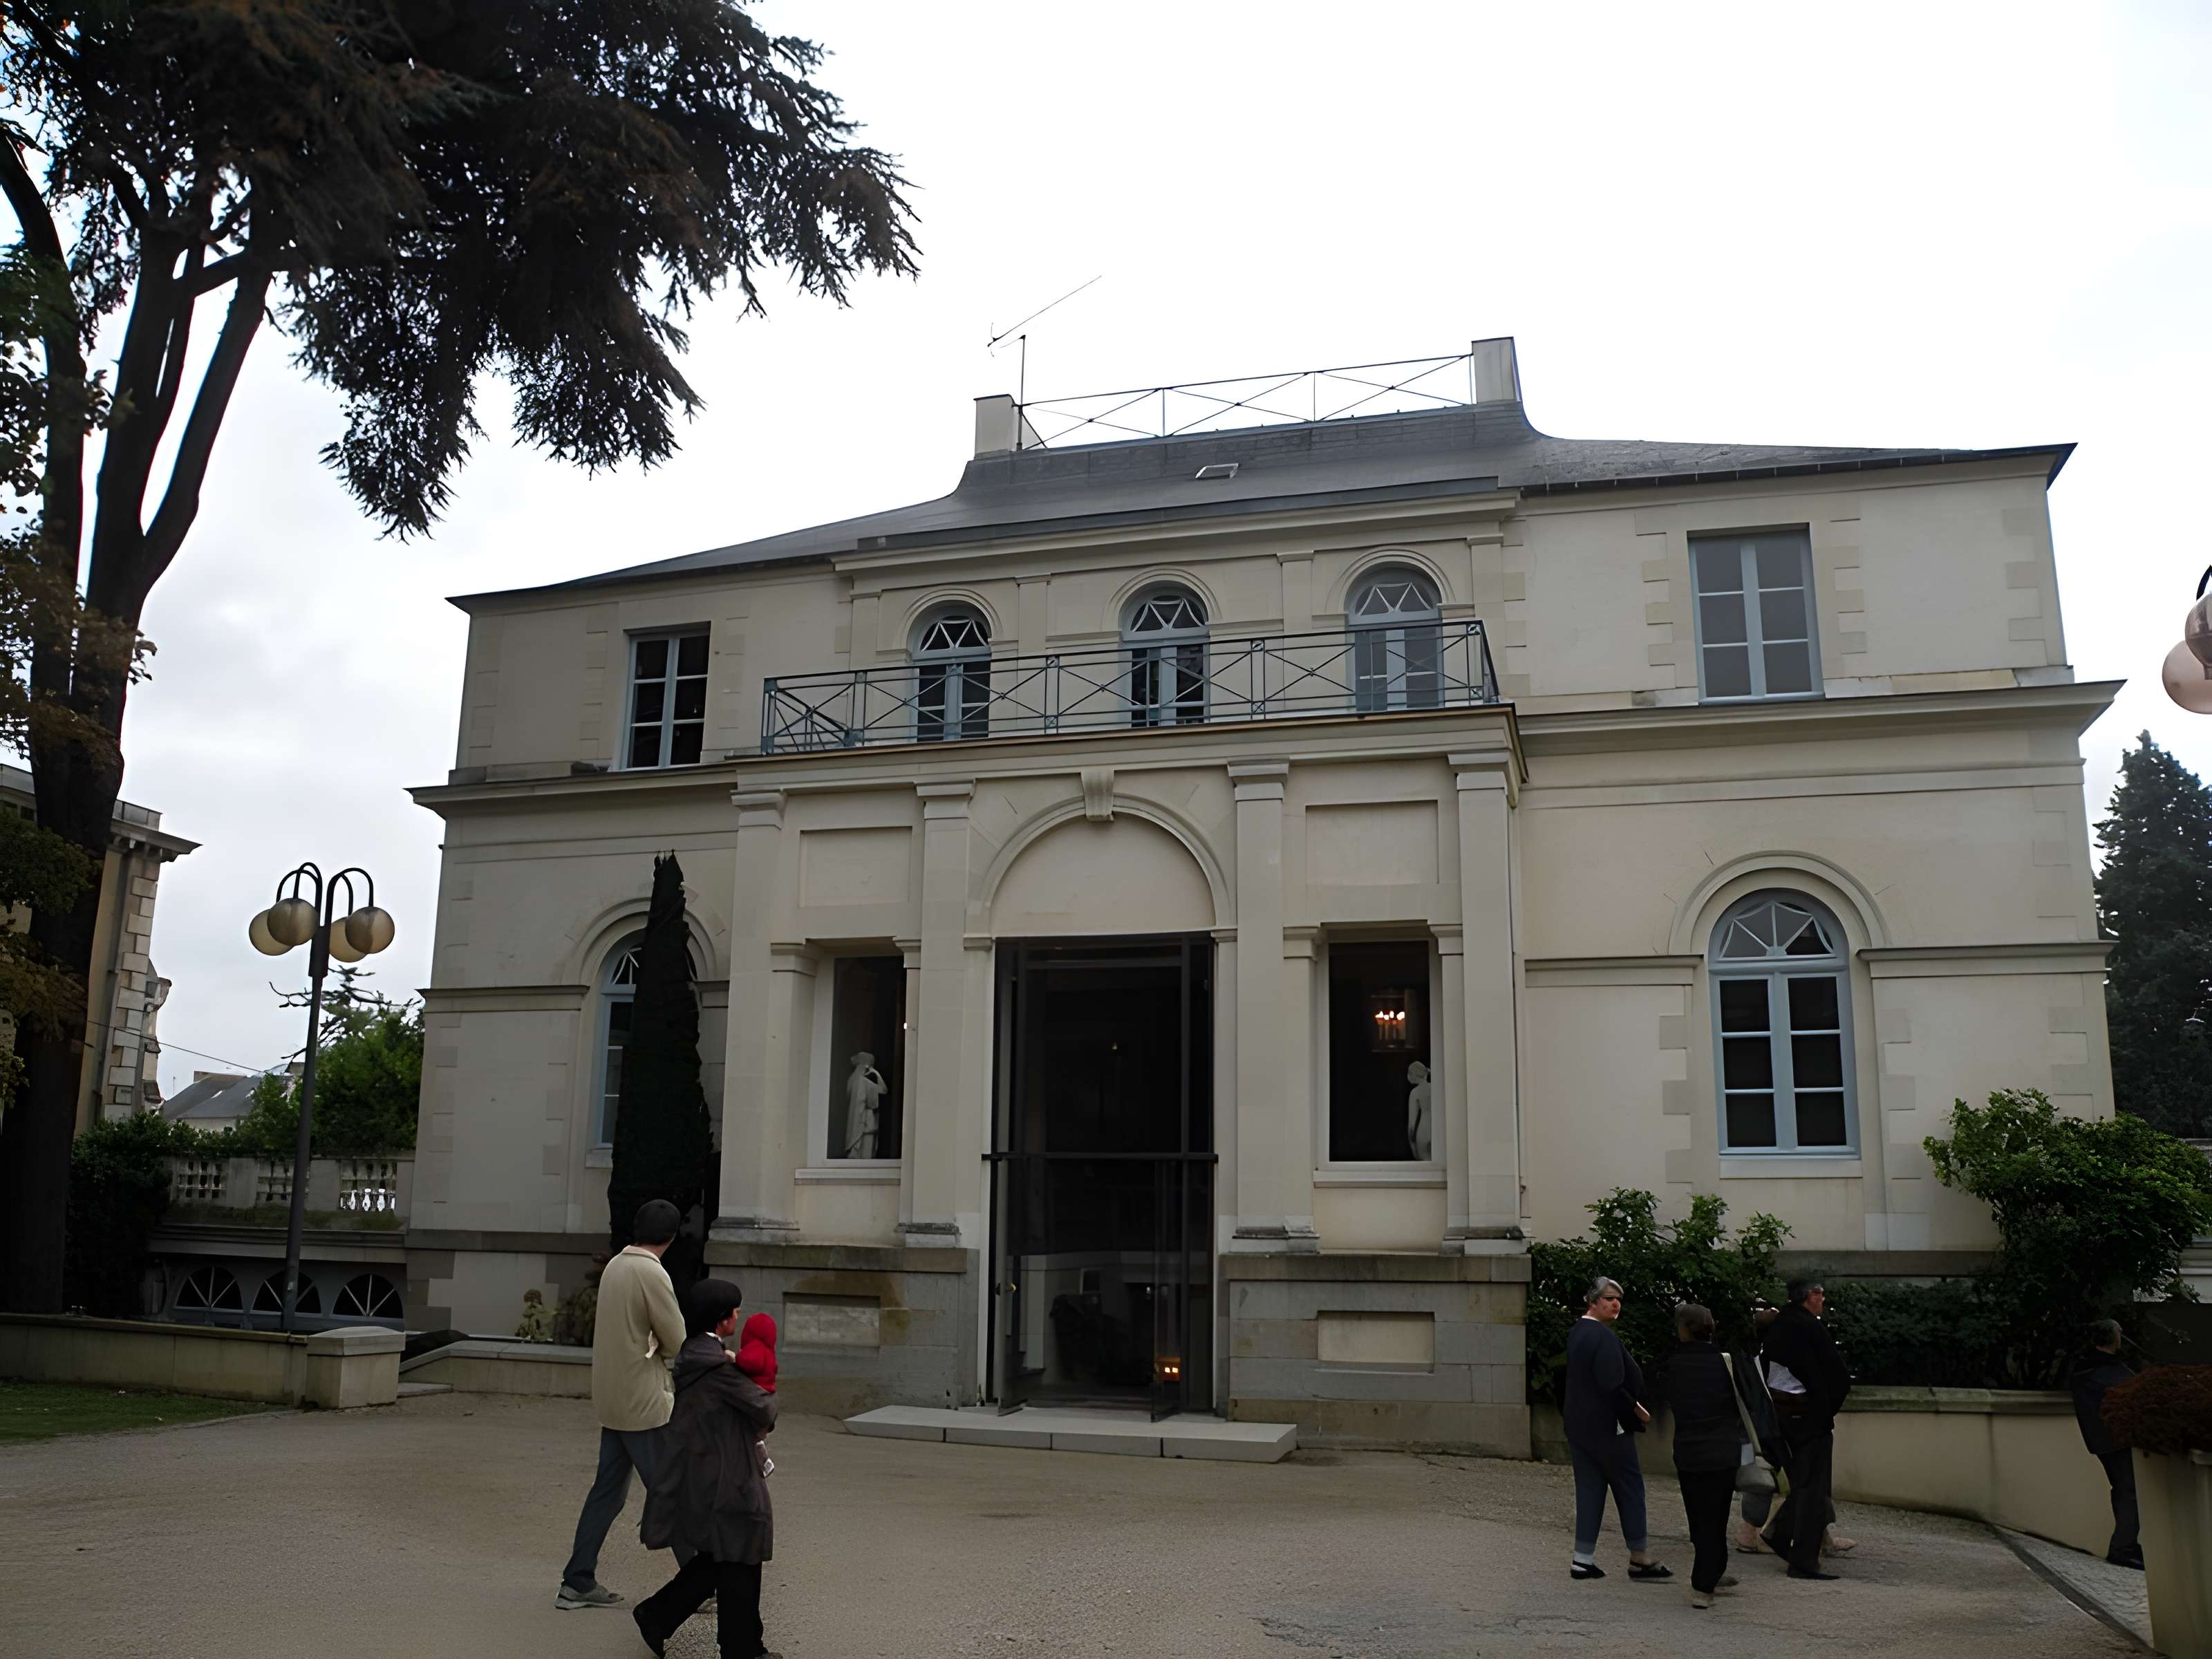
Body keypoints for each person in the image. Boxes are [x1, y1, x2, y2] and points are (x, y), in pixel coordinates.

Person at [557, 1199, 706, 1611]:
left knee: (607, 1494)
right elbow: (677, 1340)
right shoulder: (651, 1273)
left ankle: (577, 1580)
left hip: (615, 1398)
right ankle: (697, 1585)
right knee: (670, 1492)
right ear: (672, 1237)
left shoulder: (616, 1267)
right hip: (644, 1401)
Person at [635, 1279, 781, 1659]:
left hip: (707, 1468)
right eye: (733, 1310)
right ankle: (741, 1648)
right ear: (722, 1320)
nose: (737, 1315)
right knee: (739, 1554)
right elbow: (765, 1408)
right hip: (727, 1474)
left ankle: (658, 1616)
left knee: (722, 1558)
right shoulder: (717, 1366)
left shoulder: (695, 1354)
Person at [1562, 1276, 1671, 1582]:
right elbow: (1612, 1385)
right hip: (1609, 1427)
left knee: (1589, 1489)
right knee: (1630, 1487)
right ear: (1593, 1301)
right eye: (1609, 1298)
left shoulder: (1578, 1332)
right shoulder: (1603, 1336)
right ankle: (1640, 1558)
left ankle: (1582, 1560)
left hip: (1580, 1426)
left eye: (1619, 1299)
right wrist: (1637, 1412)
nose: (1615, 1304)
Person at [1734, 1302, 1855, 1556]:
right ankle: (1816, 1538)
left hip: (1751, 1431)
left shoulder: (1747, 1356)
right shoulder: (1781, 1353)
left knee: (1761, 1477)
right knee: (1808, 1480)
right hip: (1778, 1428)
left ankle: (1749, 1533)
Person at [1759, 1279, 1851, 1580]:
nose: (1823, 1299)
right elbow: (1837, 1375)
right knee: (1814, 1487)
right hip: (1811, 1418)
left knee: (1805, 1482)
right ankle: (1802, 1560)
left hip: (1784, 1417)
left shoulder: (1779, 1325)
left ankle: (1780, 1534)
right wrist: (1825, 1409)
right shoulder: (1809, 1327)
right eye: (1820, 1294)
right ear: (1810, 1297)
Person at [1658, 1303, 1745, 1608]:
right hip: (1722, 1449)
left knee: (1697, 1514)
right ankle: (1705, 1581)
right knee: (1717, 1516)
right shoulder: (1726, 1362)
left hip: (1688, 1449)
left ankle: (1709, 1572)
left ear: (1682, 1330)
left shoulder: (1674, 1364)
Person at [2069, 1318, 2141, 1569]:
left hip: (2107, 1441)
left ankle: (2126, 1544)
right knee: (2129, 1491)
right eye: (2119, 1332)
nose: (2122, 1335)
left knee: (2124, 1490)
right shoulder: (2103, 1371)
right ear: (2113, 1338)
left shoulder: (2088, 1368)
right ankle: (2124, 1547)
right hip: (2115, 1440)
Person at [735, 1313, 779, 1477]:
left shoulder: (756, 1347)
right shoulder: (769, 1352)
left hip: (754, 1399)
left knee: (753, 1438)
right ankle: (762, 1463)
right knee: (756, 1438)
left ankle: (764, 1464)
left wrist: (736, 1358)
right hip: (767, 1397)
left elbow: (748, 1361)